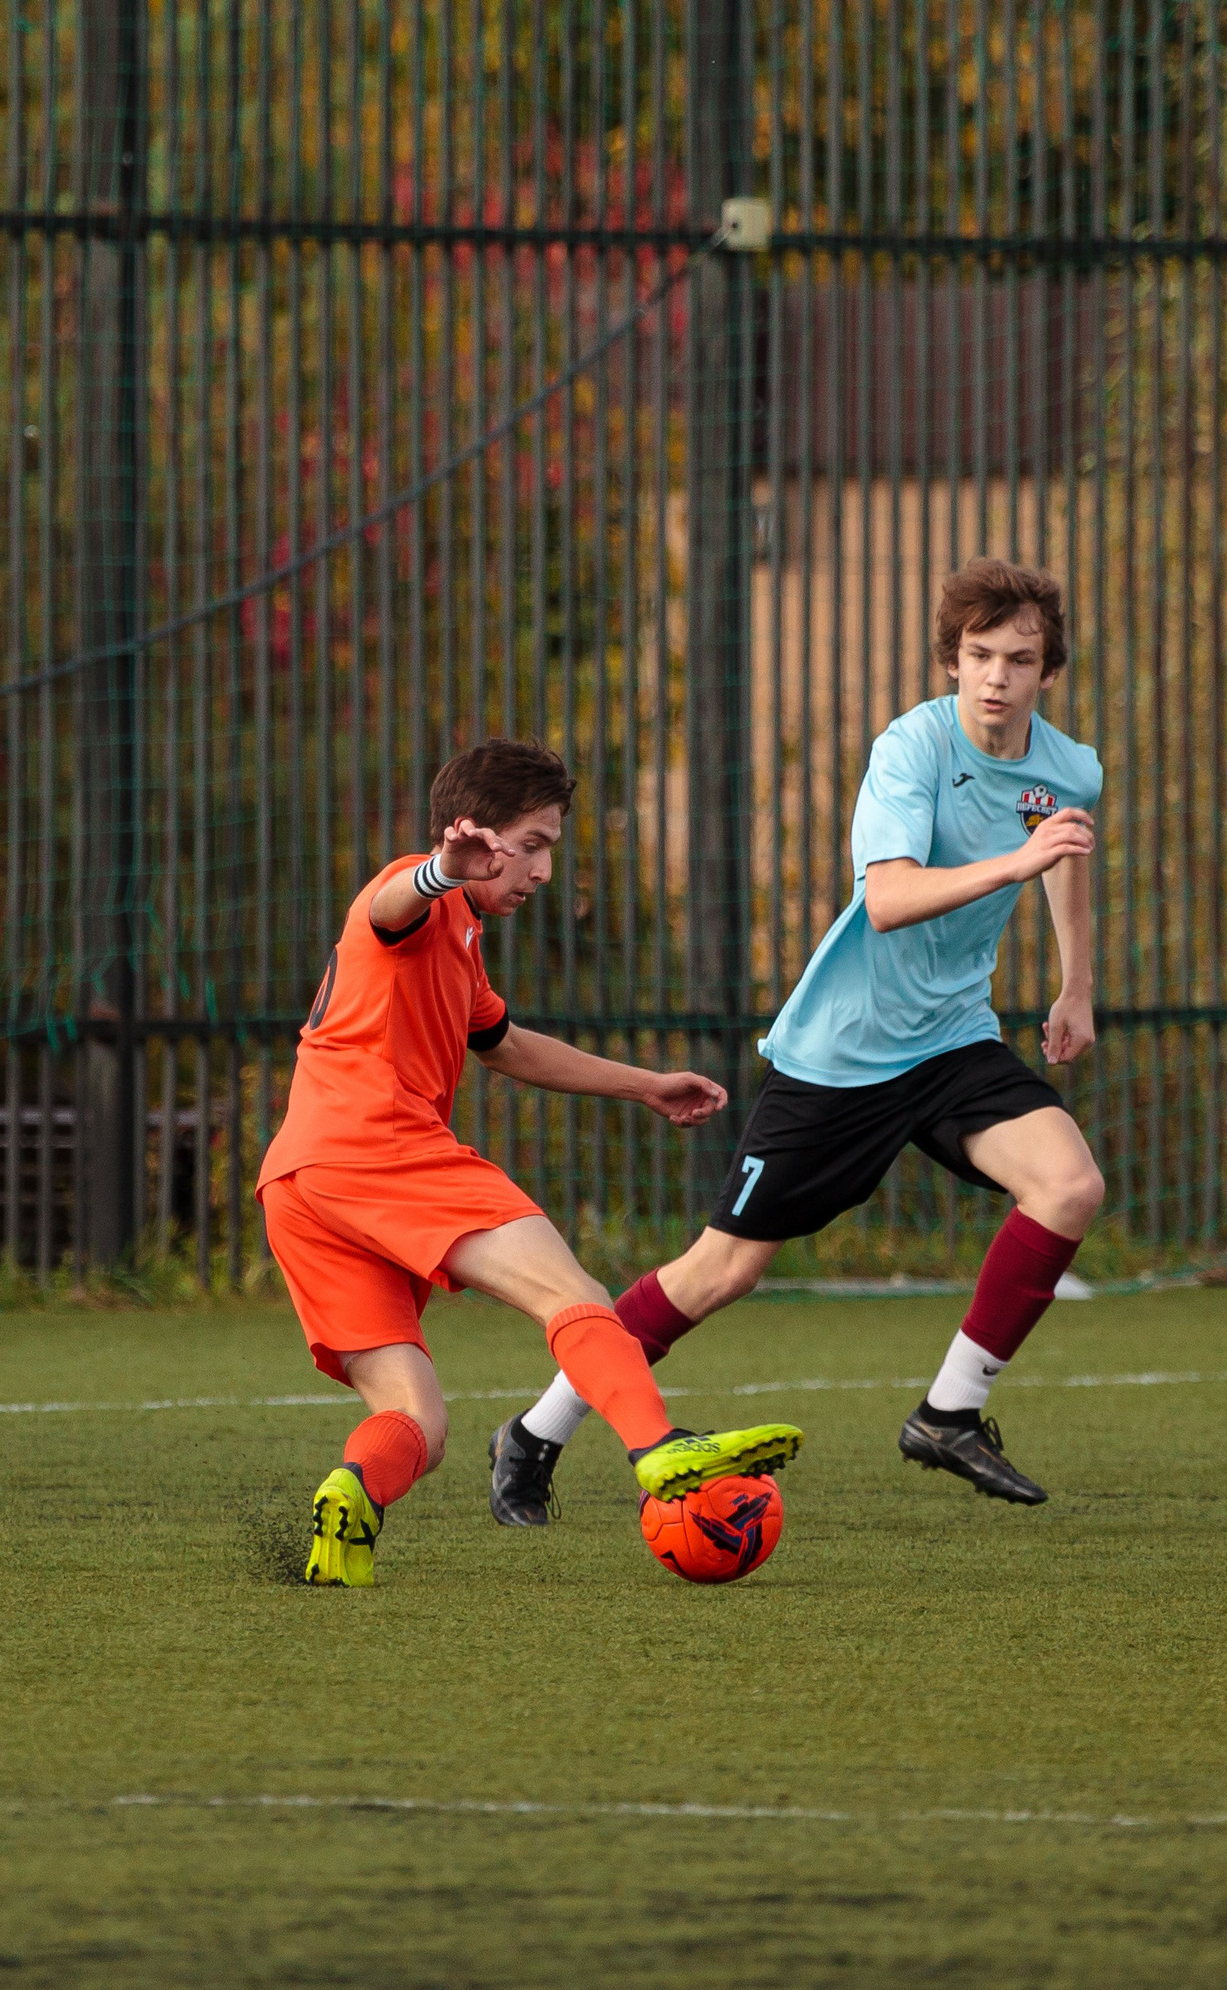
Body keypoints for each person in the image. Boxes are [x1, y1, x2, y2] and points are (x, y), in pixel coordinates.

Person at [488, 558, 1105, 1518]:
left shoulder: (1068, 768)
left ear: (1048, 672)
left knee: (1069, 1185)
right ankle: (534, 1433)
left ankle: (948, 1413)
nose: (997, 676)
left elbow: (1061, 849)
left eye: (1019, 660)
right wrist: (1014, 862)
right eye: (979, 654)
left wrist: (1076, 986)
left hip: (952, 1040)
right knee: (722, 1270)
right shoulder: (911, 749)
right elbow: (889, 898)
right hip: (843, 1053)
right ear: (952, 659)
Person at [256, 738, 804, 1586]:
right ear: (472, 835)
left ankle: (352, 1492)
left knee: (416, 1420)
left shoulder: (460, 938)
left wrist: (645, 1086)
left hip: (300, 1180)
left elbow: (506, 1045)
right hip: (379, 1146)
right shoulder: (418, 896)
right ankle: (659, 1448)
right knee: (574, 1296)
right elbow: (391, 906)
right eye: (533, 845)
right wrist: (441, 870)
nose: (544, 870)